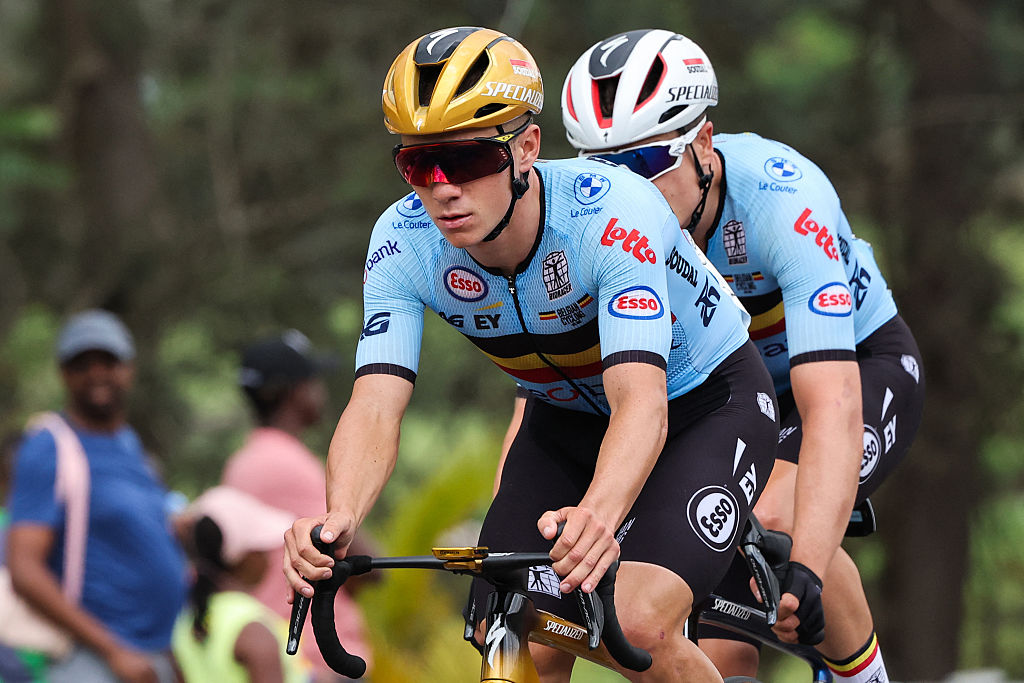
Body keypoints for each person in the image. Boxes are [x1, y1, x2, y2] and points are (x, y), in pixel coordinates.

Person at [283, 26, 779, 682]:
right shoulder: (402, 242)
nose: (442, 189)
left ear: (526, 149)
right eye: (419, 166)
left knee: (638, 622)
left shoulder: (612, 215)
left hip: (703, 404)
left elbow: (641, 401)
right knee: (509, 629)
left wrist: (599, 516)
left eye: (466, 161)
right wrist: (340, 515)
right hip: (565, 420)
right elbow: (375, 402)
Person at [559, 29, 926, 682]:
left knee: (777, 516)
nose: (628, 189)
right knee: (721, 650)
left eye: (647, 163)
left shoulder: (783, 201)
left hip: (855, 368)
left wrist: (809, 564)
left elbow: (833, 403)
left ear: (704, 143)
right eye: (604, 170)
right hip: (732, 399)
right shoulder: (598, 229)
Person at [5, 309, 187, 683]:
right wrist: (112, 649)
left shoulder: (130, 445)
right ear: (63, 374)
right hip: (93, 659)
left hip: (153, 654)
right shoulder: (49, 446)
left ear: (129, 369)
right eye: (82, 364)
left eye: (108, 361)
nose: (96, 373)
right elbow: (24, 567)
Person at [222, 330, 374, 681]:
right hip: (315, 658)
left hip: (280, 651)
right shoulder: (288, 464)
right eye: (314, 380)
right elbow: (363, 562)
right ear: (296, 391)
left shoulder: (243, 462)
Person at [172, 485, 310, 683]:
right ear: (244, 556)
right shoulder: (251, 627)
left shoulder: (186, 622)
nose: (269, 559)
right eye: (262, 549)